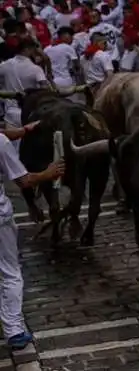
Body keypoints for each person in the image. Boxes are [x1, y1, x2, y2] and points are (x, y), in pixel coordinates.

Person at [0, 124, 65, 349]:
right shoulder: (1, 142)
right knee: (10, 272)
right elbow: (24, 181)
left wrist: (22, 131)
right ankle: (15, 331)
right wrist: (49, 173)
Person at [0, 38, 49, 152]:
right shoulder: (36, 69)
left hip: (11, 113)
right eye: (33, 50)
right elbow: (45, 89)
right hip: (31, 115)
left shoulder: (4, 65)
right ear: (27, 50)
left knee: (12, 148)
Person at [44, 26, 81, 92]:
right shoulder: (68, 48)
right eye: (71, 36)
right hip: (65, 81)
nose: (72, 39)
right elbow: (77, 66)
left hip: (50, 83)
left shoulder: (46, 49)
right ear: (66, 35)